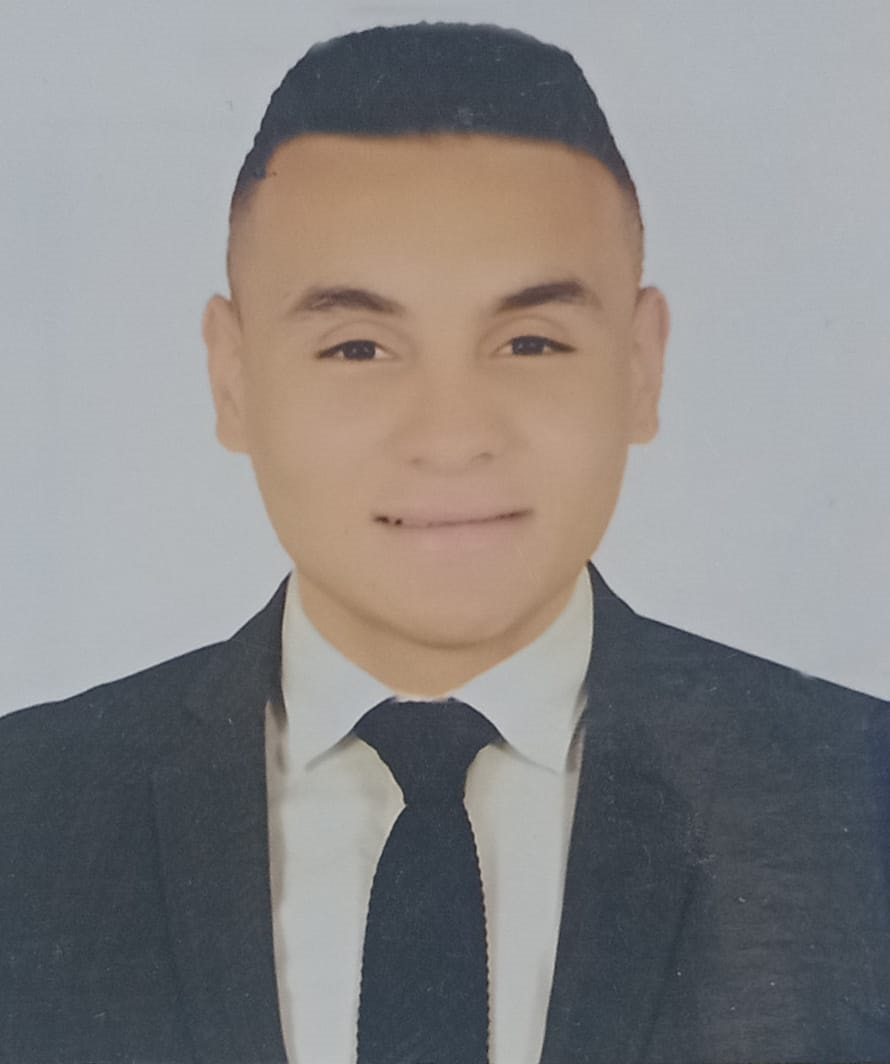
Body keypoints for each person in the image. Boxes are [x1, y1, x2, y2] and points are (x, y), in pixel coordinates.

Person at [1, 21, 888, 1064]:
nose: (452, 436)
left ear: (640, 366)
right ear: (232, 377)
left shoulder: (858, 804)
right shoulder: (27, 818)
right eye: (358, 347)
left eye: (529, 341)